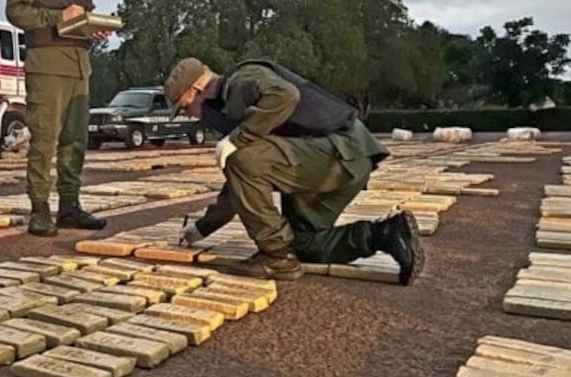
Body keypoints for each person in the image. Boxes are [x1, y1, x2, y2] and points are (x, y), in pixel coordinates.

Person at [164, 57, 425, 282]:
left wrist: (235, 140)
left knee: (242, 159)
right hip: (339, 158)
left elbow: (285, 95)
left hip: (339, 152)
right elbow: (239, 184)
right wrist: (201, 228)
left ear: (197, 87)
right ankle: (386, 234)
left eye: (185, 106)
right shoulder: (227, 106)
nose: (189, 115)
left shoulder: (243, 79)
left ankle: (275, 258)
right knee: (303, 244)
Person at [5, 0, 111, 237]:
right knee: (45, 139)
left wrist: (93, 26)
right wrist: (58, 17)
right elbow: (15, 11)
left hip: (79, 65)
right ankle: (40, 209)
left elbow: (84, 9)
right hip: (48, 64)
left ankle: (70, 206)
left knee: (75, 140)